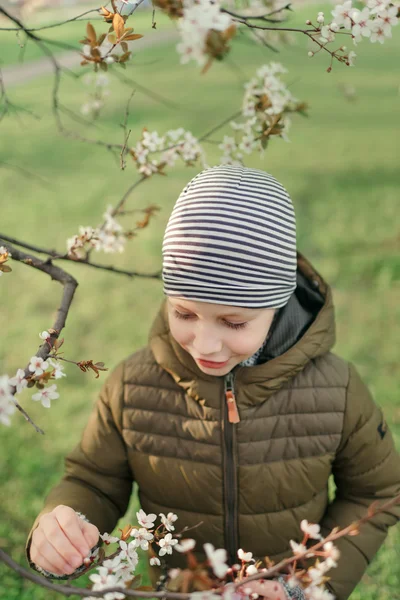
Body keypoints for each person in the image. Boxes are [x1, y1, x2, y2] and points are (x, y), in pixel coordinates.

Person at [26, 165, 400, 600]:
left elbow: (377, 492)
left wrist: (306, 585)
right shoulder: (132, 385)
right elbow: (92, 481)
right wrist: (62, 522)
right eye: (184, 313)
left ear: (277, 306)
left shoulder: (337, 390)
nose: (205, 345)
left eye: (233, 322)